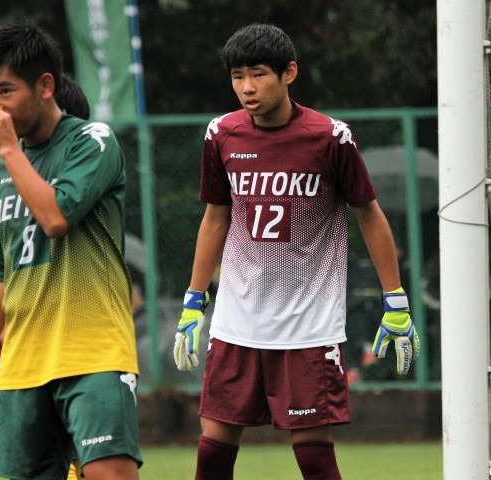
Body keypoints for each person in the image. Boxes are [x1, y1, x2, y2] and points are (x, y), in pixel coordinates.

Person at [173, 23, 420, 480]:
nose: (246, 87)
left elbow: (369, 213)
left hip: (309, 325)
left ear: (289, 73)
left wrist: (397, 301)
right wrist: (193, 302)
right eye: (237, 76)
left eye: (259, 74)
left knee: (313, 456)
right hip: (237, 321)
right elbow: (215, 217)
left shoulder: (330, 137)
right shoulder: (220, 135)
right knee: (212, 452)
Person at [0, 24, 142, 480]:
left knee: (108, 475)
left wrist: (7, 148)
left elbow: (56, 218)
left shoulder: (91, 141)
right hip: (22, 362)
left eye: (5, 91)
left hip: (93, 350)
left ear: (46, 86)